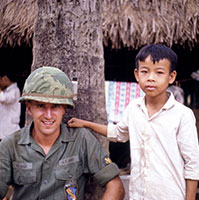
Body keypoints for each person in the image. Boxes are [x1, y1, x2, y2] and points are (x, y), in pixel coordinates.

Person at [68, 44, 199, 200]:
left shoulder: (182, 115)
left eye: (159, 72)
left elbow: (192, 163)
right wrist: (86, 124)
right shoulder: (134, 108)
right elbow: (118, 133)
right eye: (145, 71)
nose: (150, 78)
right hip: (138, 195)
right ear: (137, 75)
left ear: (171, 77)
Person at [0, 66, 125, 200]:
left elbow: (116, 186)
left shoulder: (81, 140)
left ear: (65, 108)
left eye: (55, 107)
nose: (48, 115)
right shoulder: (10, 145)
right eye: (41, 106)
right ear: (29, 109)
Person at [0, 72, 21, 141]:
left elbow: (4, 99)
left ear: (5, 78)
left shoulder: (15, 90)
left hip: (10, 129)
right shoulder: (6, 91)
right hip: (4, 128)